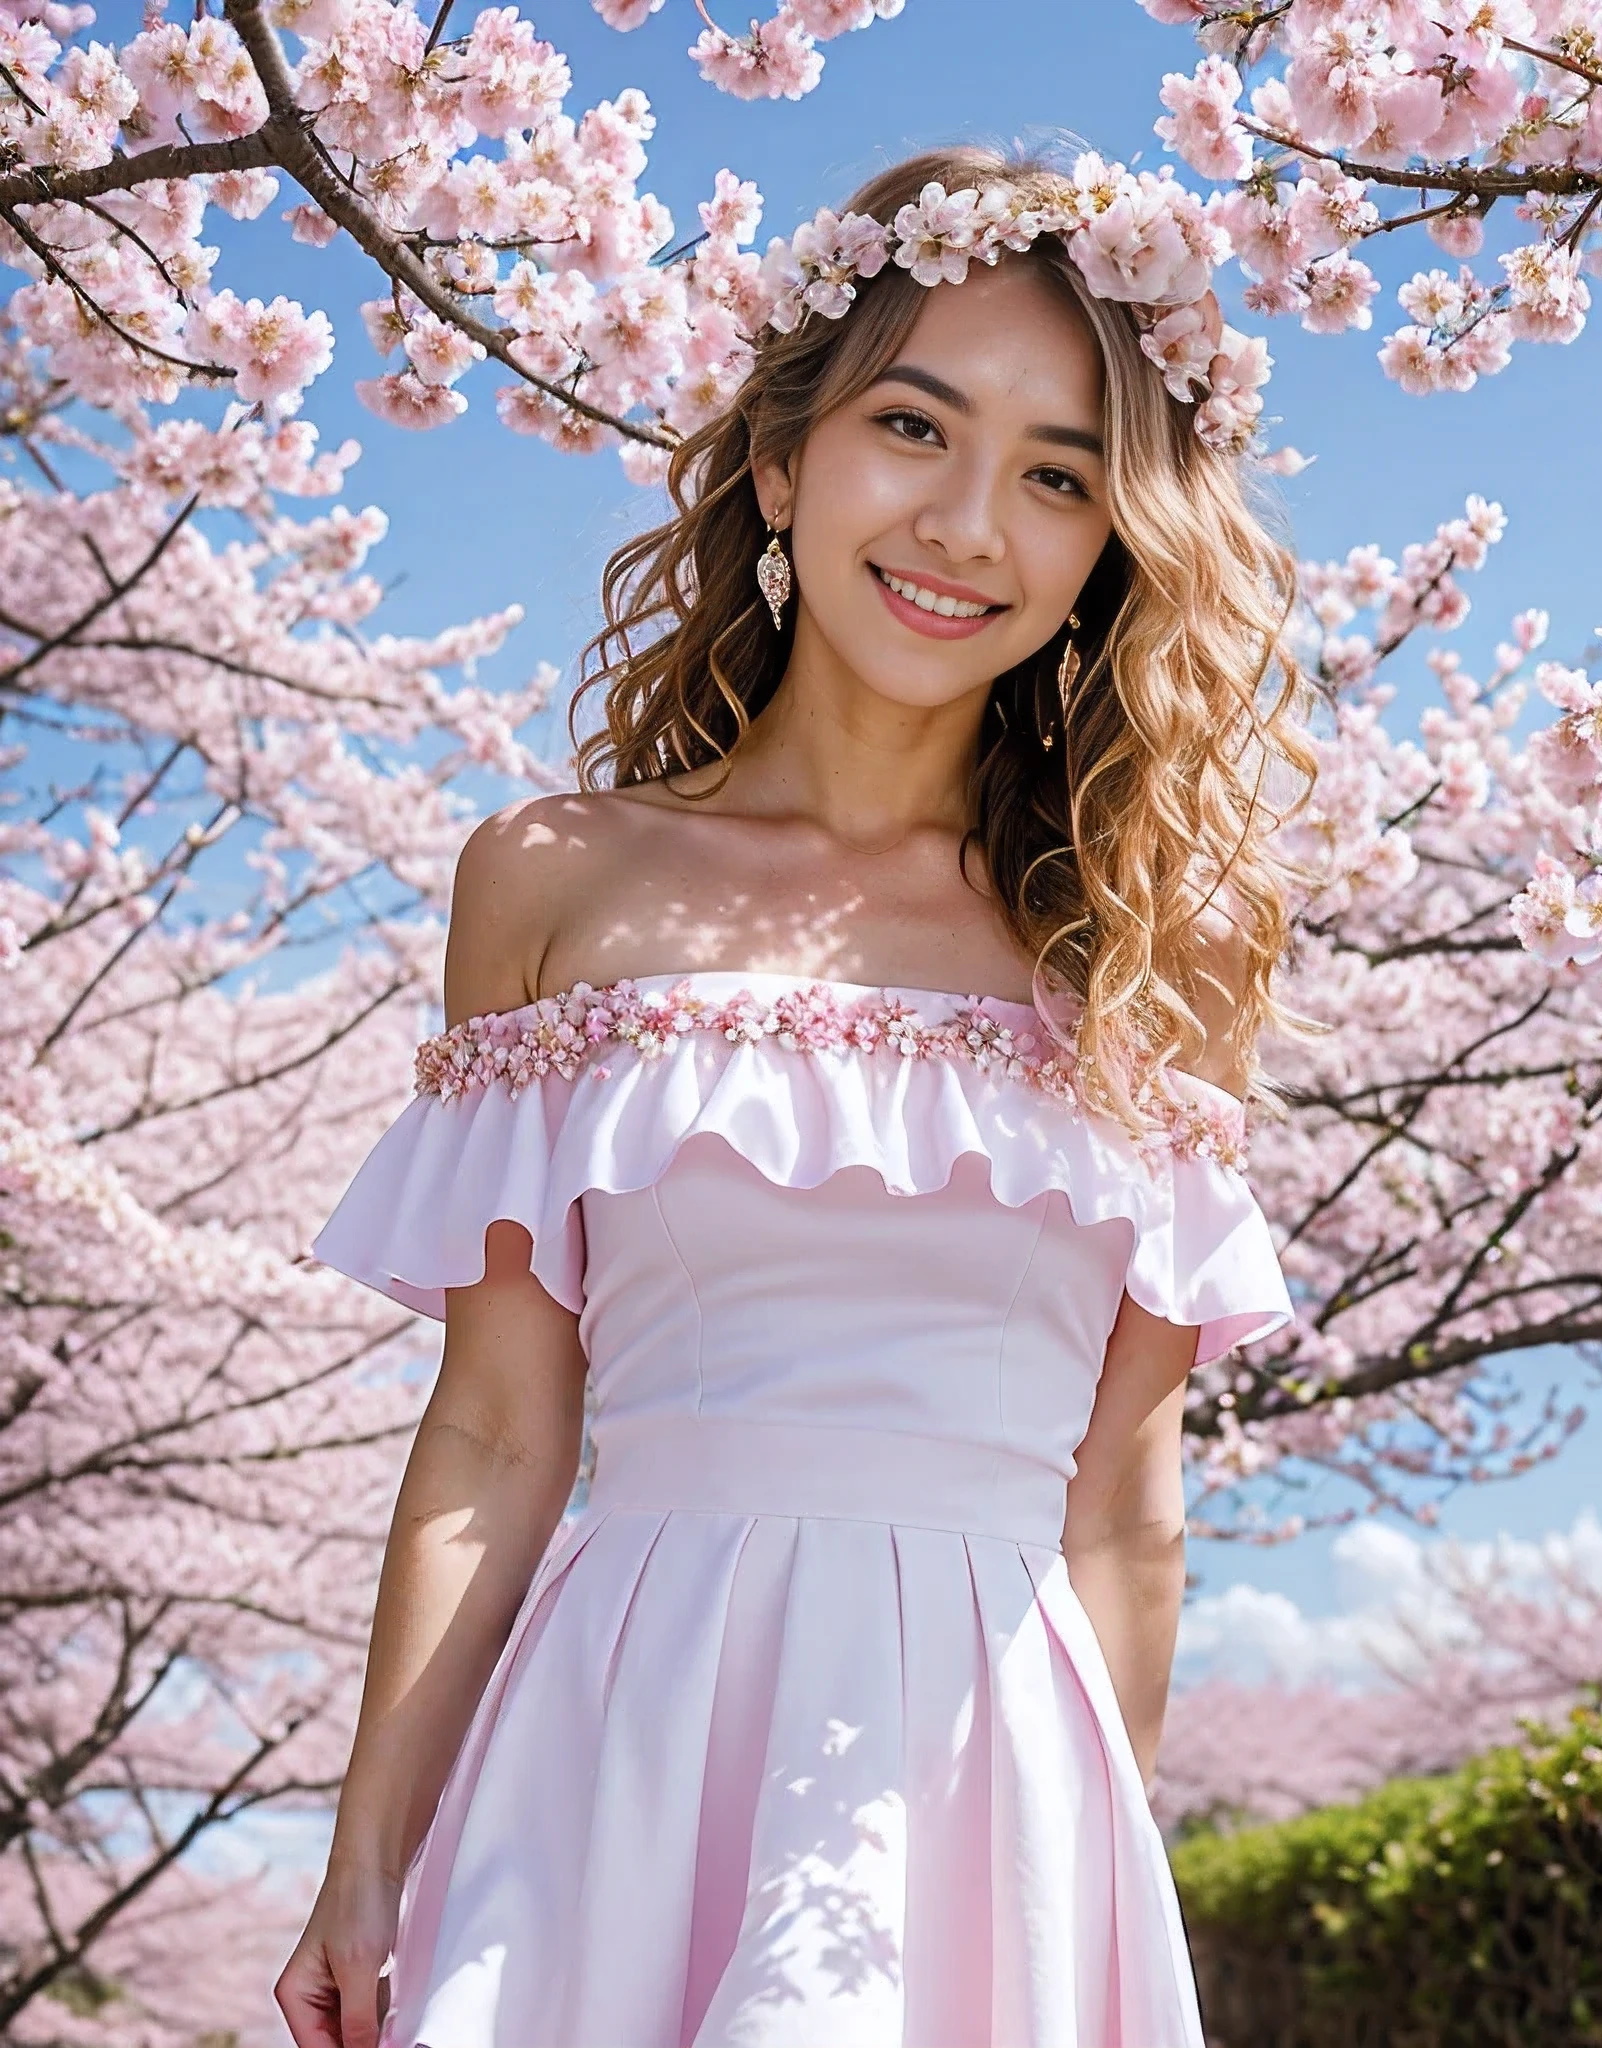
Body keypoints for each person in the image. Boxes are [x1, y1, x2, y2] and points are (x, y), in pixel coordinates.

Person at [276, 144, 1315, 2048]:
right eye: (914, 427)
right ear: (781, 465)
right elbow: (503, 1432)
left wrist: (1078, 1897)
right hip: (626, 1742)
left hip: (990, 1786)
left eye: (1059, 476)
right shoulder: (552, 879)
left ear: (1110, 549)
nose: (968, 525)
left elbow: (1125, 1512)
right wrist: (367, 1853)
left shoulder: (1164, 944)